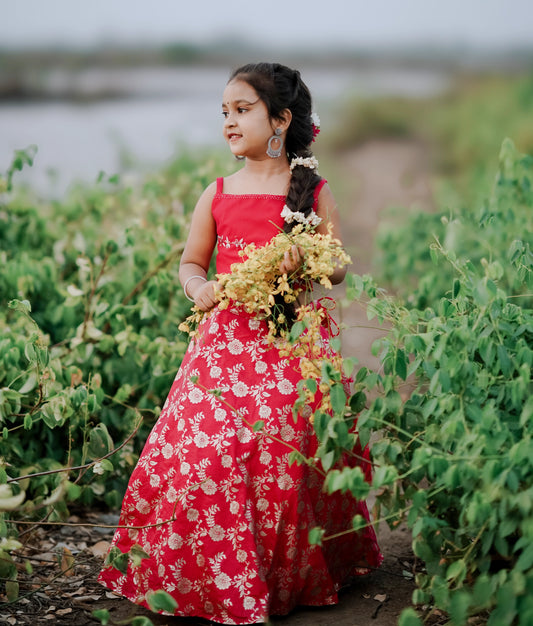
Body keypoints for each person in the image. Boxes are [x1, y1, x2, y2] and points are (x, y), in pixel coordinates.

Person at [99, 62, 382, 625]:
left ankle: (274, 581)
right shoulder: (218, 192)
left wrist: (307, 265)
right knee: (198, 453)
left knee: (278, 454)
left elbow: (340, 269)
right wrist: (198, 287)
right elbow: (191, 261)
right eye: (224, 112)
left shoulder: (311, 192)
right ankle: (196, 578)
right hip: (222, 348)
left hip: (288, 347)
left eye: (242, 110)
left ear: (280, 120)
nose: (228, 122)